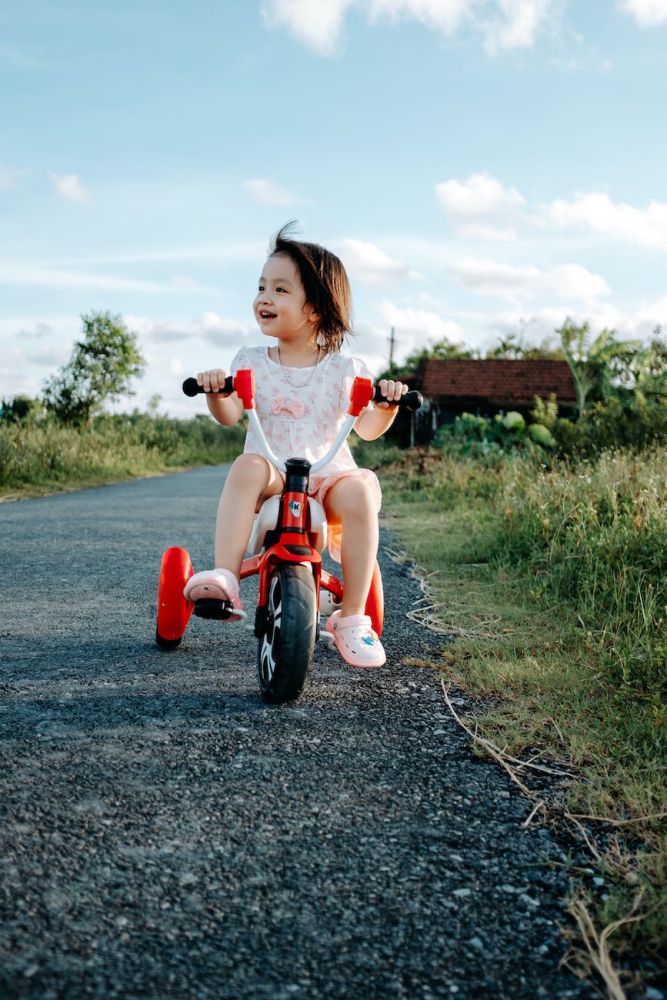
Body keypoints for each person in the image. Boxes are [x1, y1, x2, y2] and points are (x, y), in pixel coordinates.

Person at [184, 223, 408, 668]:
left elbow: (366, 429)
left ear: (314, 309)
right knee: (247, 465)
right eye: (262, 286)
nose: (264, 297)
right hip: (272, 473)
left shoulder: (346, 368)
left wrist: (387, 404)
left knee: (361, 490)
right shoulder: (250, 362)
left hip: (327, 475)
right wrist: (216, 392)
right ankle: (226, 574)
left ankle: (353, 618)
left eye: (280, 289)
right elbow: (230, 416)